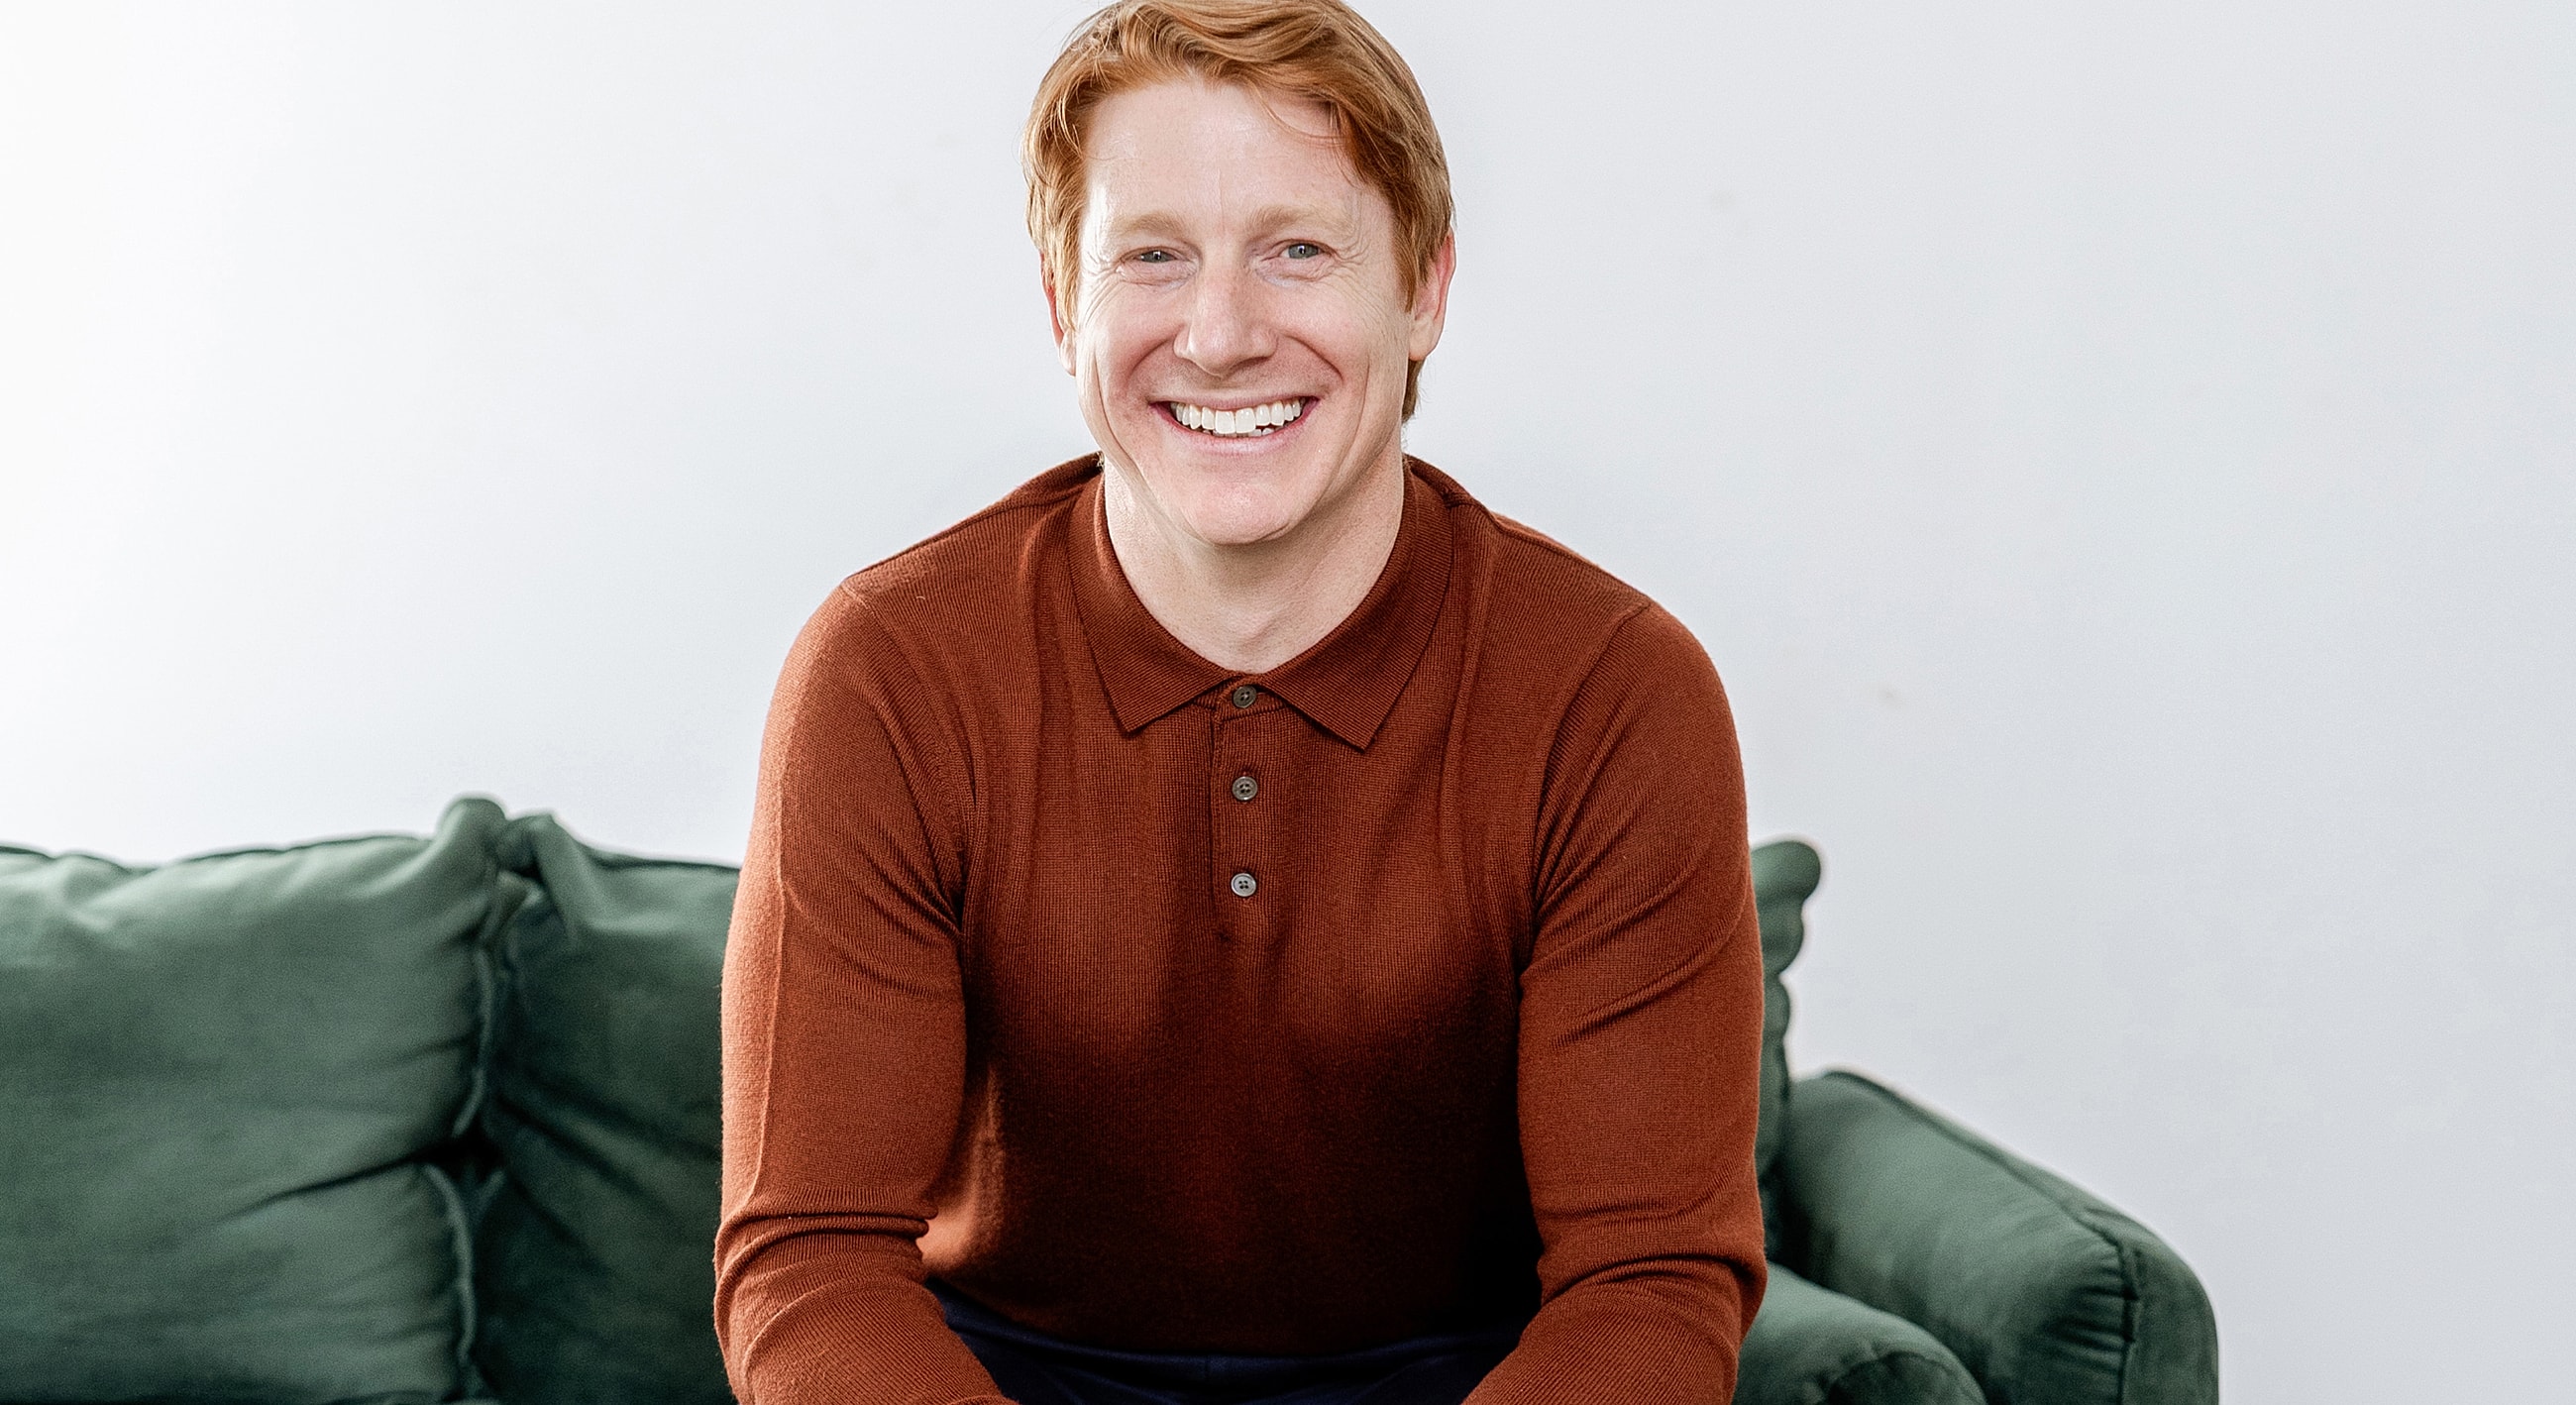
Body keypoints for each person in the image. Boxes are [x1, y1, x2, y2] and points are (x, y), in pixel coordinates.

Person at [713, 1, 1768, 1400]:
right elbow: (810, 1263)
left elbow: (1649, 1283)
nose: (1218, 334)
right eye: (1152, 256)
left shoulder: (1616, 692)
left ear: (1425, 289)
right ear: (1060, 306)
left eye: (1298, 250)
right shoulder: (888, 670)